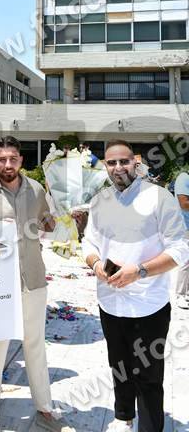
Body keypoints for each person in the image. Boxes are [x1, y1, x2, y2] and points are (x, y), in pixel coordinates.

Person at [0, 136, 74, 432]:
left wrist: (56, 221)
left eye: (13, 159)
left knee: (35, 344)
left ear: (21, 160)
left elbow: (47, 224)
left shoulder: (36, 190)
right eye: (2, 159)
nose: (8, 164)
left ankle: (44, 408)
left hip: (32, 278)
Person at [82, 140, 189, 432]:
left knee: (149, 375)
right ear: (105, 166)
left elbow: (180, 248)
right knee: (119, 367)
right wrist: (95, 264)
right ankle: (123, 417)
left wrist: (139, 271)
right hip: (110, 302)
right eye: (112, 162)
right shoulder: (99, 200)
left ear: (136, 163)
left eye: (124, 161)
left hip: (148, 305)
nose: (118, 168)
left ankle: (150, 427)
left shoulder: (158, 197)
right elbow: (89, 242)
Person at [174, 170, 189, 308]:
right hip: (184, 227)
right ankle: (180, 295)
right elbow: (184, 204)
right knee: (185, 261)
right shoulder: (184, 178)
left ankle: (187, 293)